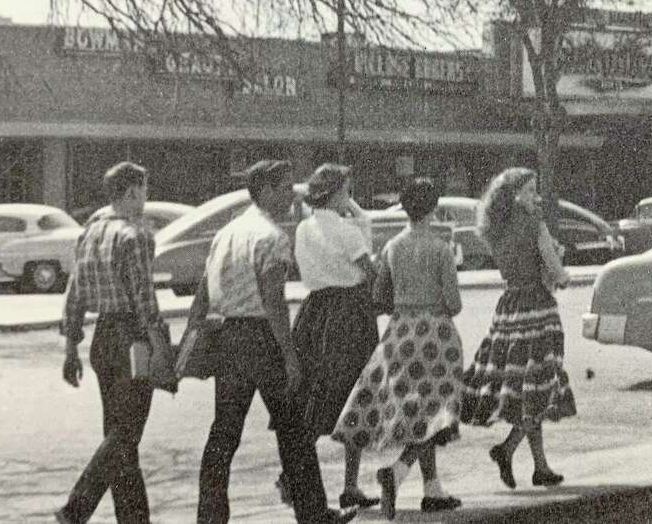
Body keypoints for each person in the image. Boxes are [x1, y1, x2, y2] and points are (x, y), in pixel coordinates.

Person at [192, 159, 355, 524]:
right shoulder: (272, 237)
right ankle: (312, 514)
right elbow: (273, 300)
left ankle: (210, 516)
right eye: (285, 188)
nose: (292, 196)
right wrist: (290, 356)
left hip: (229, 337)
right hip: (263, 339)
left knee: (224, 432)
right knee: (294, 429)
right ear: (265, 190)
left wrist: (195, 333)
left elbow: (203, 291)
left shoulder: (228, 232)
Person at [332, 177, 465, 519]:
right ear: (433, 208)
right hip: (435, 332)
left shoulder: (392, 247)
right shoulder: (441, 248)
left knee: (415, 410)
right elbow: (454, 303)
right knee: (434, 410)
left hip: (400, 333)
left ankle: (432, 488)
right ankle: (400, 471)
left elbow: (380, 296)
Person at [56, 162, 170, 524]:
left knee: (120, 438)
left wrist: (70, 347)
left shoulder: (89, 233)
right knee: (125, 434)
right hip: (132, 338)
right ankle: (75, 510)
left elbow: (74, 294)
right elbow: (143, 298)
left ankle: (134, 521)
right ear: (132, 191)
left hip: (102, 339)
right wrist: (160, 349)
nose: (145, 200)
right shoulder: (132, 236)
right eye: (144, 191)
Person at [459, 167, 576, 489]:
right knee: (540, 384)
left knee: (526, 386)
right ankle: (507, 448)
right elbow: (554, 268)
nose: (534, 196)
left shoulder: (494, 229)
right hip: (538, 308)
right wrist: (563, 274)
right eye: (529, 190)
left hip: (509, 308)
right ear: (514, 194)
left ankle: (541, 467)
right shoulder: (534, 224)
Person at [285, 163, 381, 511]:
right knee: (354, 396)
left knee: (317, 394)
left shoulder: (303, 228)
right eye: (347, 190)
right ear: (337, 192)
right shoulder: (347, 230)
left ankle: (292, 473)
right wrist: (361, 219)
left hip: (315, 313)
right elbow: (370, 272)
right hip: (349, 312)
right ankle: (350, 484)